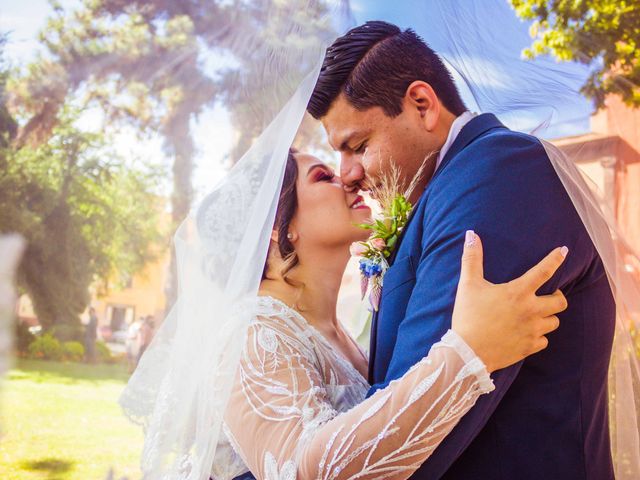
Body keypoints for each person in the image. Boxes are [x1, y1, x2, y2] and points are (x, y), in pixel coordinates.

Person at [305, 21, 615, 480]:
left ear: (422, 105)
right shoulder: (453, 184)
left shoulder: (499, 174)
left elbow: (415, 437)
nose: (347, 173)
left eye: (358, 146)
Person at [210, 149, 568, 480]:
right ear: (276, 226)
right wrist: (469, 355)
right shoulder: (254, 333)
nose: (349, 178)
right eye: (322, 177)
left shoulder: (335, 331)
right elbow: (302, 471)